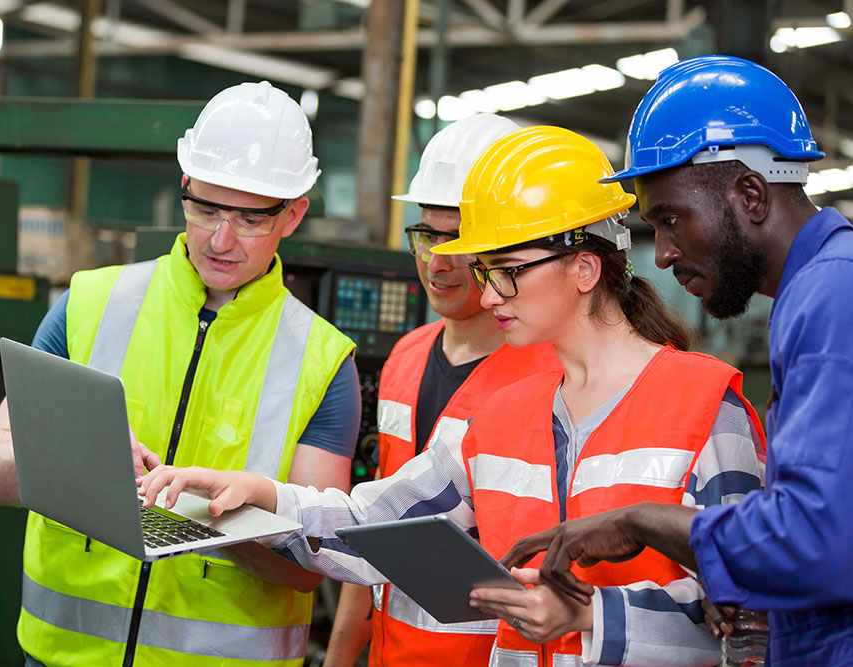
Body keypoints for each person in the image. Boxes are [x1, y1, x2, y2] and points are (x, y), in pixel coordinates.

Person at [137, 125, 766, 666]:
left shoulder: (706, 409)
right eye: (485, 273)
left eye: (506, 272)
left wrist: (590, 618)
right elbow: (373, 527)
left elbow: (754, 616)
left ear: (584, 267)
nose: (488, 297)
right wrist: (259, 495)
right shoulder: (496, 416)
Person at [0, 81, 360, 667]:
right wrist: (74, 467)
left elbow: (310, 569)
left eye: (249, 219)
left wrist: (201, 517)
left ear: (294, 214)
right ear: (183, 188)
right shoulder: (87, 304)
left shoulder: (324, 363)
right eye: (205, 209)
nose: (220, 240)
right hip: (62, 657)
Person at [500, 56, 853, 666]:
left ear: (750, 194)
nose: (661, 255)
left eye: (670, 220)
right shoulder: (818, 291)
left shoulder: (831, 297)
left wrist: (646, 522)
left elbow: (818, 540)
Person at [323, 114, 560, 667]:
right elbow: (374, 526)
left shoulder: (550, 377)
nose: (439, 259)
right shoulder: (406, 355)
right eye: (428, 235)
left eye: (460, 238)